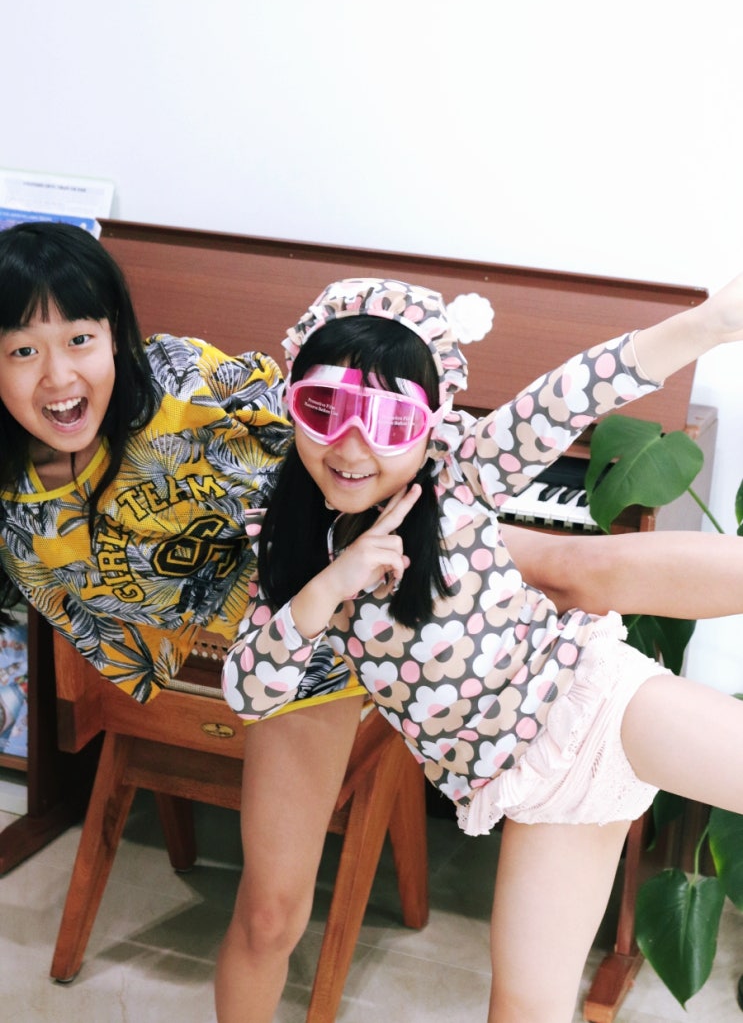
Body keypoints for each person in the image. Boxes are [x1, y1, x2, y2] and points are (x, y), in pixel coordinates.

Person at [222, 273, 743, 1023]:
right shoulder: (292, 557)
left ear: (431, 425)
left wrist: (709, 323)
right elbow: (249, 693)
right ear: (291, 403)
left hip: (597, 708)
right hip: (528, 789)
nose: (351, 446)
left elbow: (573, 393)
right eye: (324, 410)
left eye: (390, 422)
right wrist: (330, 584)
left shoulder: (460, 478)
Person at [0, 221, 367, 1023]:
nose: (58, 374)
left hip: (348, 590)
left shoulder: (179, 379)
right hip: (254, 662)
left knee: (558, 568)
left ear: (117, 335)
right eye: (22, 349)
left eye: (80, 338)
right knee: (270, 915)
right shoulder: (17, 504)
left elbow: (326, 432)